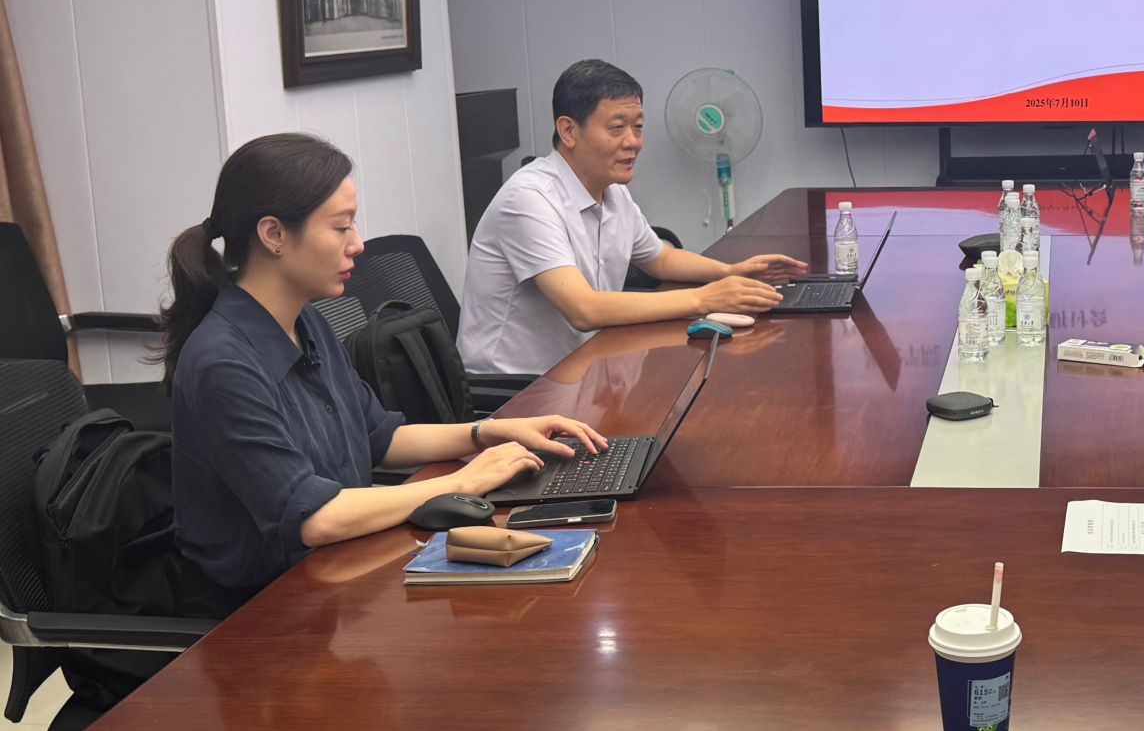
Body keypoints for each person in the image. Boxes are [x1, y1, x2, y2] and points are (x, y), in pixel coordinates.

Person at [161, 134, 606, 617]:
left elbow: (381, 437)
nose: (357, 244)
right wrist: (461, 483)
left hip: (336, 576)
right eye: (341, 227)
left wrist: (486, 432)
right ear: (274, 235)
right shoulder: (222, 363)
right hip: (259, 615)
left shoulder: (305, 321)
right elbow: (314, 518)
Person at [459, 60, 807, 376]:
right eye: (617, 128)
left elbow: (660, 259)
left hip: (585, 366)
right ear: (568, 131)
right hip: (514, 391)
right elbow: (583, 310)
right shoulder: (529, 199)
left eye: (638, 127)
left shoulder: (612, 191)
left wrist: (730, 272)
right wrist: (706, 299)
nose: (633, 142)